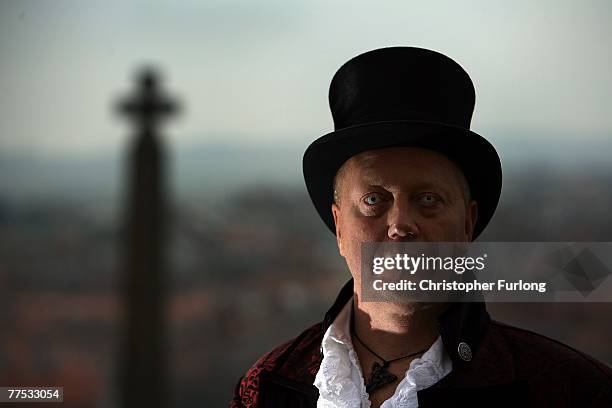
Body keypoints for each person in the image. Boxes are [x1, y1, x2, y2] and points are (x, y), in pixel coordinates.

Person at [230, 47, 612, 407]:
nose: (400, 225)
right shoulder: (266, 385)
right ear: (339, 227)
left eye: (427, 199)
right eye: (373, 201)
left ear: (467, 224)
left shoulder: (569, 389)